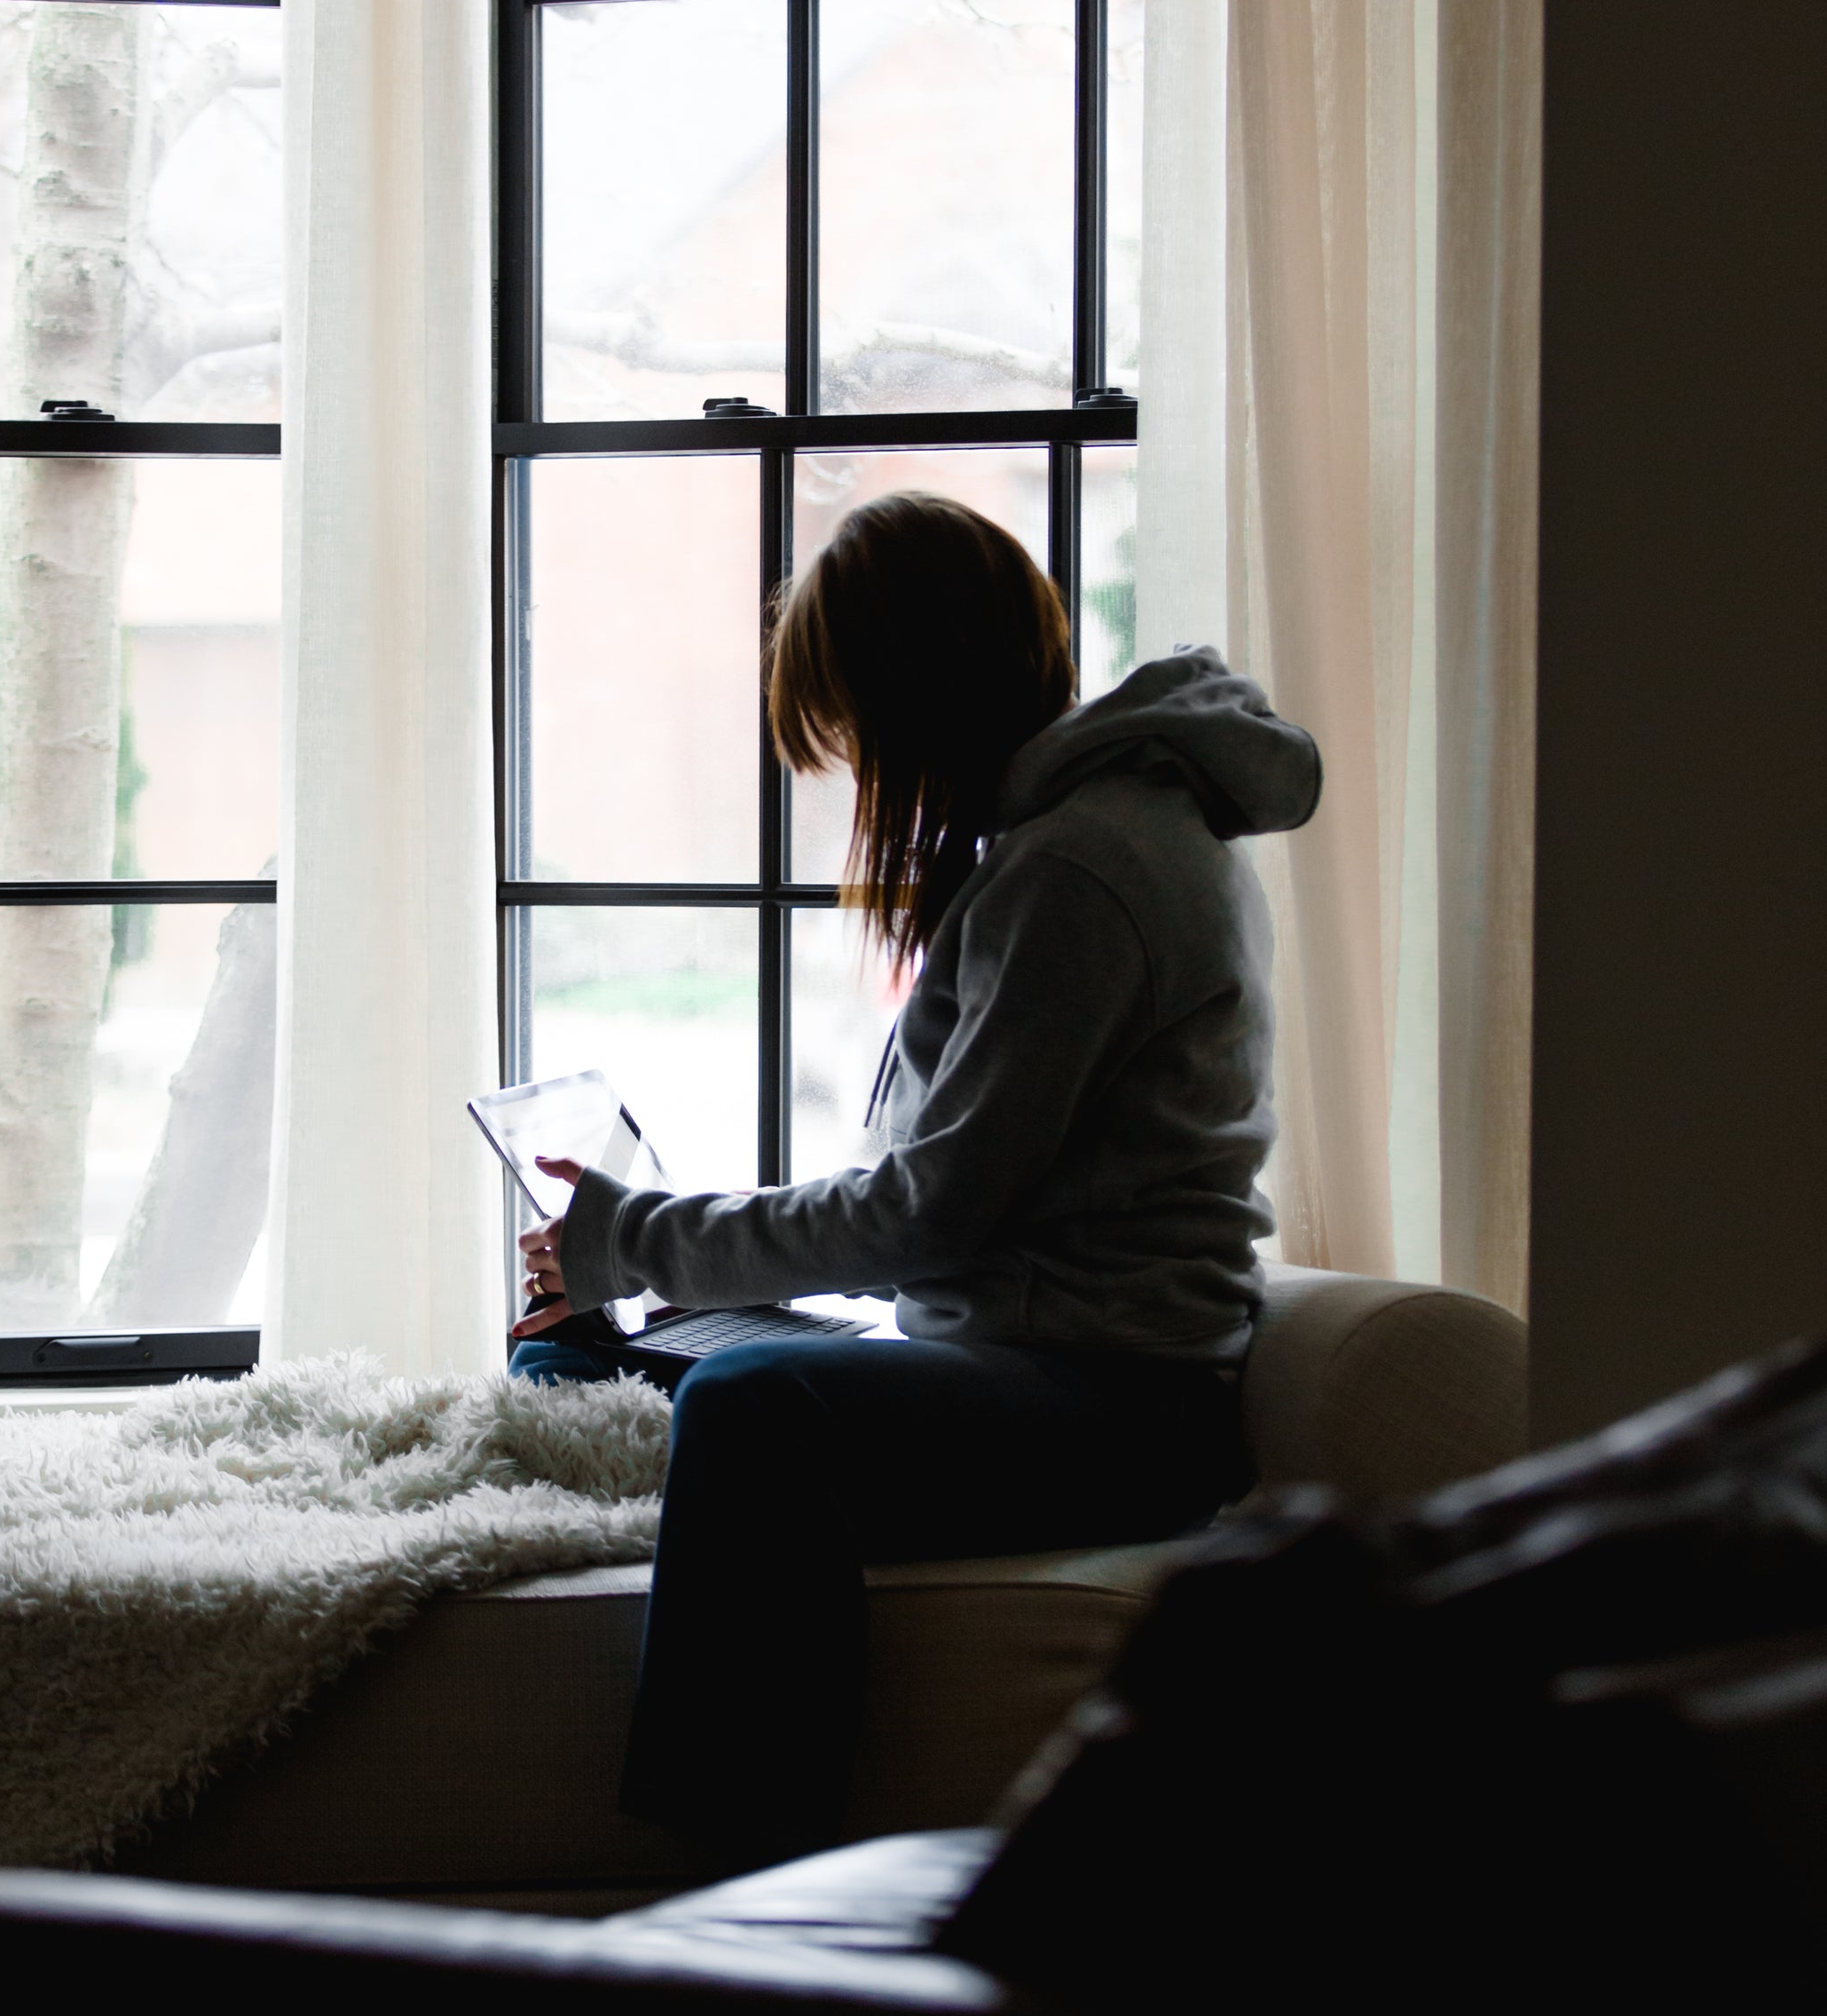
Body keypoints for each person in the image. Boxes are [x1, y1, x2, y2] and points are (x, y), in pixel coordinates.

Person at [511, 492, 1321, 1870]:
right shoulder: (1072, 845)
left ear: (915, 698)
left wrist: (636, 1234)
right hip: (1032, 1365)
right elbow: (926, 1191)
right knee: (583, 1364)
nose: (861, 779)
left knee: (757, 1404)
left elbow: (922, 1214)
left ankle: (740, 1863)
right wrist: (627, 1255)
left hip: (1117, 1410)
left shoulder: (1083, 870)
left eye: (856, 734)